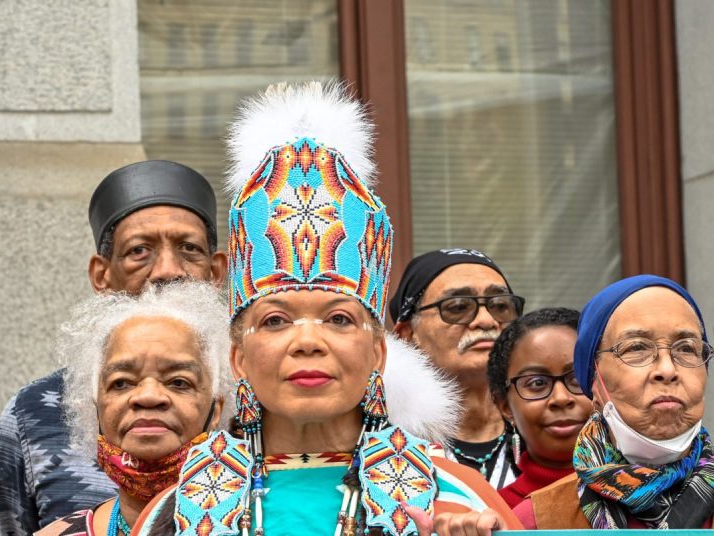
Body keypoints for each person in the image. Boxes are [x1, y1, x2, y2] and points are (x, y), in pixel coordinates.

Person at [133, 81, 521, 535]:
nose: (308, 341)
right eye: (275, 320)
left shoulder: (458, 502)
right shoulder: (175, 512)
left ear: (378, 352)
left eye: (338, 318)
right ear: (238, 358)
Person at [0, 160, 228, 535]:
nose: (168, 270)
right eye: (139, 250)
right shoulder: (32, 412)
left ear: (216, 272)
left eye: (188, 248)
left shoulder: (259, 407)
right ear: (102, 274)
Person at [514, 275, 714, 529]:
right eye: (637, 348)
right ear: (594, 378)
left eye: (686, 348)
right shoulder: (536, 521)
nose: (668, 370)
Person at [35, 282, 232, 535]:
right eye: (122, 383)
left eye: (179, 382)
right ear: (95, 406)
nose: (148, 396)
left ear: (216, 409)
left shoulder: (260, 521)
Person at [389, 249, 523, 488]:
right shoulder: (385, 441)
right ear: (406, 335)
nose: (486, 321)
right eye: (458, 306)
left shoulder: (547, 425)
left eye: (500, 305)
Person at [487, 307, 593, 507]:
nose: (561, 398)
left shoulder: (650, 497)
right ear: (504, 404)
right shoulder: (494, 516)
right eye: (536, 383)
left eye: (577, 378)